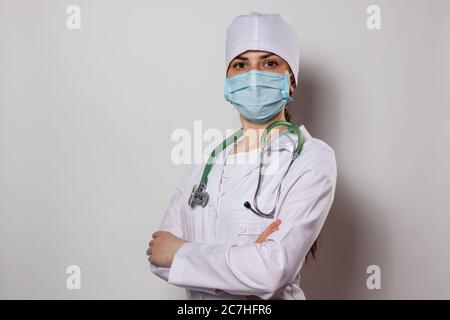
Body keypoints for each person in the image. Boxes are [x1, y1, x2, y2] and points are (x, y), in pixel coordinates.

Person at [147, 12, 337, 300]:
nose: (253, 75)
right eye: (240, 65)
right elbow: (158, 255)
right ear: (227, 82)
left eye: (269, 63)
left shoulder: (311, 158)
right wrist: (246, 260)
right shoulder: (208, 163)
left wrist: (181, 253)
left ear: (292, 81)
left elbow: (271, 272)